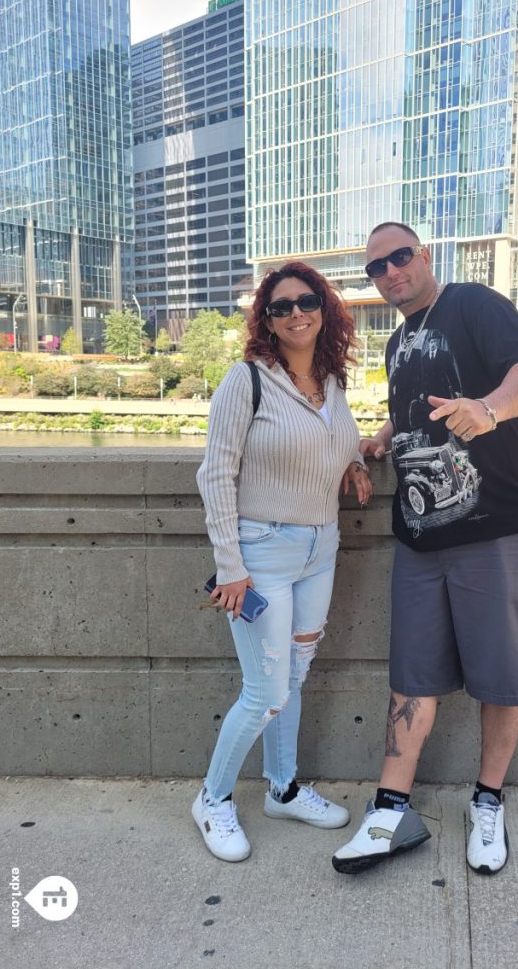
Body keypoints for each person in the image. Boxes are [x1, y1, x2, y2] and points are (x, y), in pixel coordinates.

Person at [332, 222, 518, 875]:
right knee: (412, 675)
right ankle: (391, 809)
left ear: (425, 257)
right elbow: (415, 408)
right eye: (377, 267)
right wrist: (380, 437)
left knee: (503, 674)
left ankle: (487, 801)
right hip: (418, 538)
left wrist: (489, 408)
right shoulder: (398, 342)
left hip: (492, 528)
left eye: (401, 257)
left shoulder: (475, 304)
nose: (391, 272)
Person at [194, 261, 372, 862]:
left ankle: (283, 788)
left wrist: (353, 464)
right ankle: (212, 798)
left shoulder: (332, 381)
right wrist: (231, 567)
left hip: (321, 549)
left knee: (293, 678)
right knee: (264, 690)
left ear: (324, 308)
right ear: (266, 320)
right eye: (281, 306)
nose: (296, 313)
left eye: (307, 301)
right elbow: (215, 474)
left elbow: (334, 439)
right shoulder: (245, 381)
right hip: (260, 555)